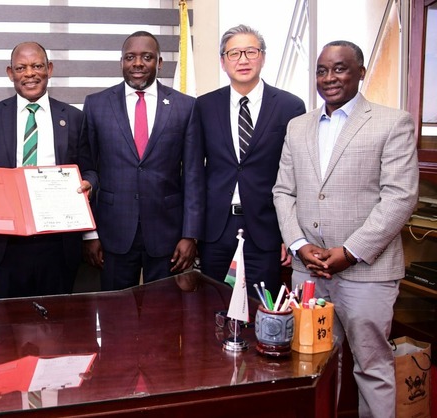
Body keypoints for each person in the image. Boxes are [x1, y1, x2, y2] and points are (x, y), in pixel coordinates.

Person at [273, 40, 419, 417]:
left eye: (339, 68)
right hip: (309, 270)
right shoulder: (298, 126)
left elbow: (400, 198)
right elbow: (283, 190)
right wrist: (300, 244)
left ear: (361, 71)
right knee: (312, 366)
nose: (329, 77)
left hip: (366, 272)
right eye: (322, 70)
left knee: (371, 366)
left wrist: (349, 252)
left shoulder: (393, 122)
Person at [0, 42, 94, 298]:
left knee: (58, 329)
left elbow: (90, 169)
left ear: (49, 69)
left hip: (58, 245)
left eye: (37, 66)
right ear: (10, 73)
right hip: (6, 245)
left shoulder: (73, 117)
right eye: (21, 68)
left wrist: (89, 184)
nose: (29, 73)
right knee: (7, 328)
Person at [82, 31, 204, 290]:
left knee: (165, 319)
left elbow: (193, 175)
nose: (138, 63)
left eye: (147, 57)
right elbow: (88, 171)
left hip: (168, 235)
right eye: (130, 57)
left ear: (159, 63)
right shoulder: (96, 105)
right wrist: (90, 234)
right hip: (112, 234)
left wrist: (190, 234)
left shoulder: (185, 106)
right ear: (121, 62)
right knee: (116, 319)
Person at [196, 25, 305, 295]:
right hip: (216, 229)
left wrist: (288, 234)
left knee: (261, 309)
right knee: (213, 307)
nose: (242, 60)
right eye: (234, 53)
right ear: (223, 61)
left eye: (250, 51)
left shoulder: (290, 106)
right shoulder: (204, 106)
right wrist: (193, 232)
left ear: (263, 57)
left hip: (265, 228)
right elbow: (195, 172)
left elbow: (297, 177)